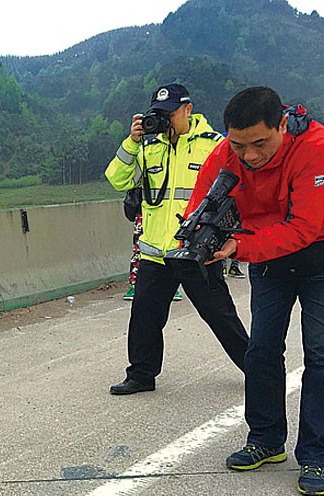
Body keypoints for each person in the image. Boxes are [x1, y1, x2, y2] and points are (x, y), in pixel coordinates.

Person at [190, 86, 324, 496]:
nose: (249, 156)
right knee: (262, 348)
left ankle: (316, 457)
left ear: (282, 124)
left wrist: (241, 248)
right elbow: (201, 203)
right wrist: (199, 236)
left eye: (260, 143)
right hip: (268, 249)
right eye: (239, 145)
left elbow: (304, 227)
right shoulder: (226, 153)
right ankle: (266, 439)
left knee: (323, 354)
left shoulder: (315, 146)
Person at [105, 83, 248, 395]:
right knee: (144, 316)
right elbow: (116, 179)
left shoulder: (213, 145)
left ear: (187, 109)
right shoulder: (148, 147)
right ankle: (141, 374)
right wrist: (132, 142)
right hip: (155, 253)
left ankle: (256, 370)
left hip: (196, 252)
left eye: (170, 114)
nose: (165, 120)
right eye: (159, 115)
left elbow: (238, 191)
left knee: (219, 314)